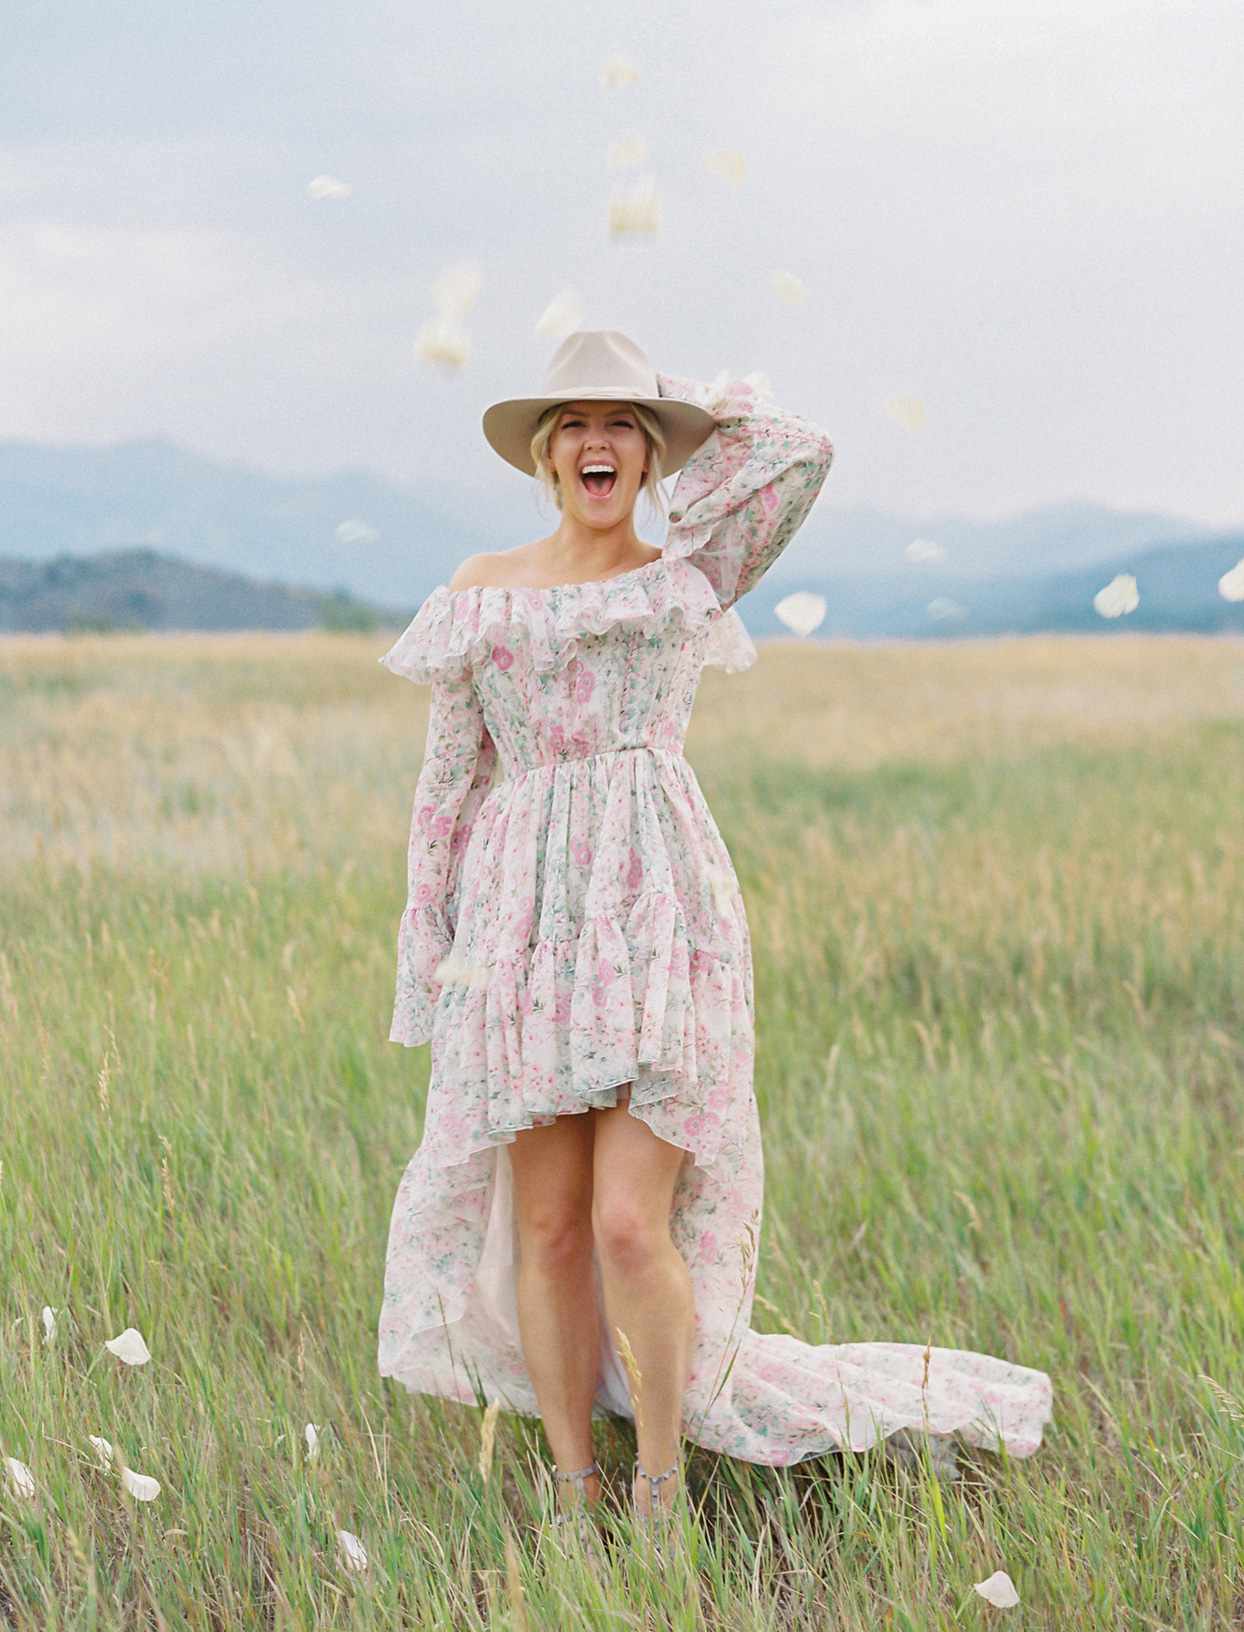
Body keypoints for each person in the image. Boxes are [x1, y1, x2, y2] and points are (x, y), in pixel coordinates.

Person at [375, 329, 1053, 1542]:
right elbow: (443, 791)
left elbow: (801, 456)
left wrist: (676, 404)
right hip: (521, 927)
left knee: (631, 1222)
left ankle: (661, 1484)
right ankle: (576, 1482)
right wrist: (431, 954)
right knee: (547, 1224)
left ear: (651, 451)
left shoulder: (689, 569)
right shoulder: (482, 586)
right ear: (543, 451)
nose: (597, 441)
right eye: (574, 422)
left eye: (622, 424)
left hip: (657, 910)